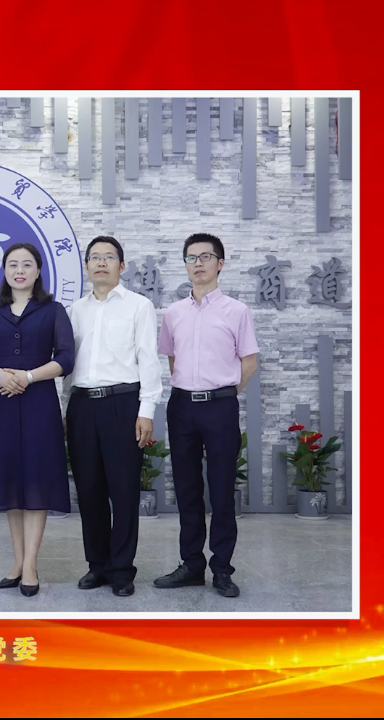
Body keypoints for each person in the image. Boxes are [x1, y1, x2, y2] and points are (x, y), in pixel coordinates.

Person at [154, 233, 259, 598]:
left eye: (205, 257)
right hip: (181, 406)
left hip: (220, 407)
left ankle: (222, 569)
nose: (197, 263)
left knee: (222, 489)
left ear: (220, 263)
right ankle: (191, 565)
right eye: (191, 258)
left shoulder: (237, 311)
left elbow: (249, 363)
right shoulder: (173, 313)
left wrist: (223, 393)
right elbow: (172, 360)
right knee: (186, 489)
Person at [63, 236, 161, 598]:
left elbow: (148, 359)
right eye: (95, 257)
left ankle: (122, 569)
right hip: (82, 406)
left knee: (123, 491)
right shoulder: (74, 311)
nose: (101, 262)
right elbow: (67, 366)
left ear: (121, 265)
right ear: (87, 266)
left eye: (108, 257)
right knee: (88, 490)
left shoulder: (139, 306)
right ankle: (98, 565)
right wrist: (64, 408)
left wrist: (146, 411)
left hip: (122, 404)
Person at [0, 243, 75, 597]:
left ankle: (31, 563)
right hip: (2, 403)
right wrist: (1, 375)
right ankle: (18, 561)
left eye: (27, 264)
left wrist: (28, 377)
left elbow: (66, 358)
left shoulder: (53, 310)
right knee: (11, 483)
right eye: (13, 264)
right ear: (4, 271)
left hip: (39, 403)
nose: (20, 270)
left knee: (36, 480)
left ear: (38, 271)